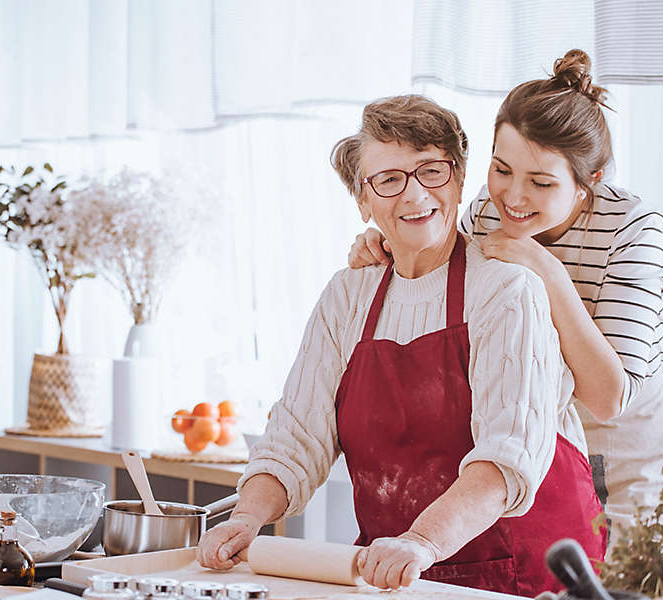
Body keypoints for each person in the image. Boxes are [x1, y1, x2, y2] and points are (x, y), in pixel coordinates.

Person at [197, 94, 605, 596]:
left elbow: (507, 456)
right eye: (389, 180)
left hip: (519, 575)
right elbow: (296, 438)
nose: (414, 196)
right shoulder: (347, 296)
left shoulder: (507, 290)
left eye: (431, 171)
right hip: (395, 573)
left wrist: (421, 540)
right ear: (364, 201)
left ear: (458, 180)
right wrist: (248, 516)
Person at [348, 49, 663, 541]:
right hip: (535, 439)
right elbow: (446, 279)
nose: (512, 196)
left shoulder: (631, 228)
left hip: (621, 447)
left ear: (589, 182)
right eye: (502, 169)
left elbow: (608, 398)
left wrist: (547, 271)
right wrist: (388, 243)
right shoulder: (488, 211)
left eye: (541, 182)